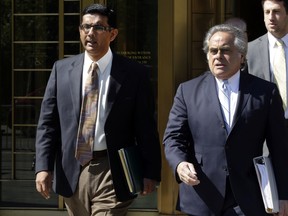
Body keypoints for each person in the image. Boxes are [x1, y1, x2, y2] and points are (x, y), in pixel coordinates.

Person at [35, 3, 161, 216]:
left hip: (112, 168)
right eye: (86, 27)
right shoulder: (61, 69)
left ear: (112, 34)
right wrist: (42, 167)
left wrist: (151, 171)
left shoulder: (134, 73)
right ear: (80, 31)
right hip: (72, 169)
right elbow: (48, 124)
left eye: (98, 28)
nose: (90, 33)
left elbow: (145, 126)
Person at [163, 24, 288, 216]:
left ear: (242, 56)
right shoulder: (187, 91)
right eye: (213, 51)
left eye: (225, 51)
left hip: (248, 196)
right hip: (203, 195)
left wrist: (283, 195)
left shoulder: (265, 92)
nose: (218, 56)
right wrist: (180, 164)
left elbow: (280, 147)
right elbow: (173, 138)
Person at [247, 0, 288, 127]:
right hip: (264, 130)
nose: (270, 17)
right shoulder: (249, 51)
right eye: (267, 12)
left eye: (276, 12)